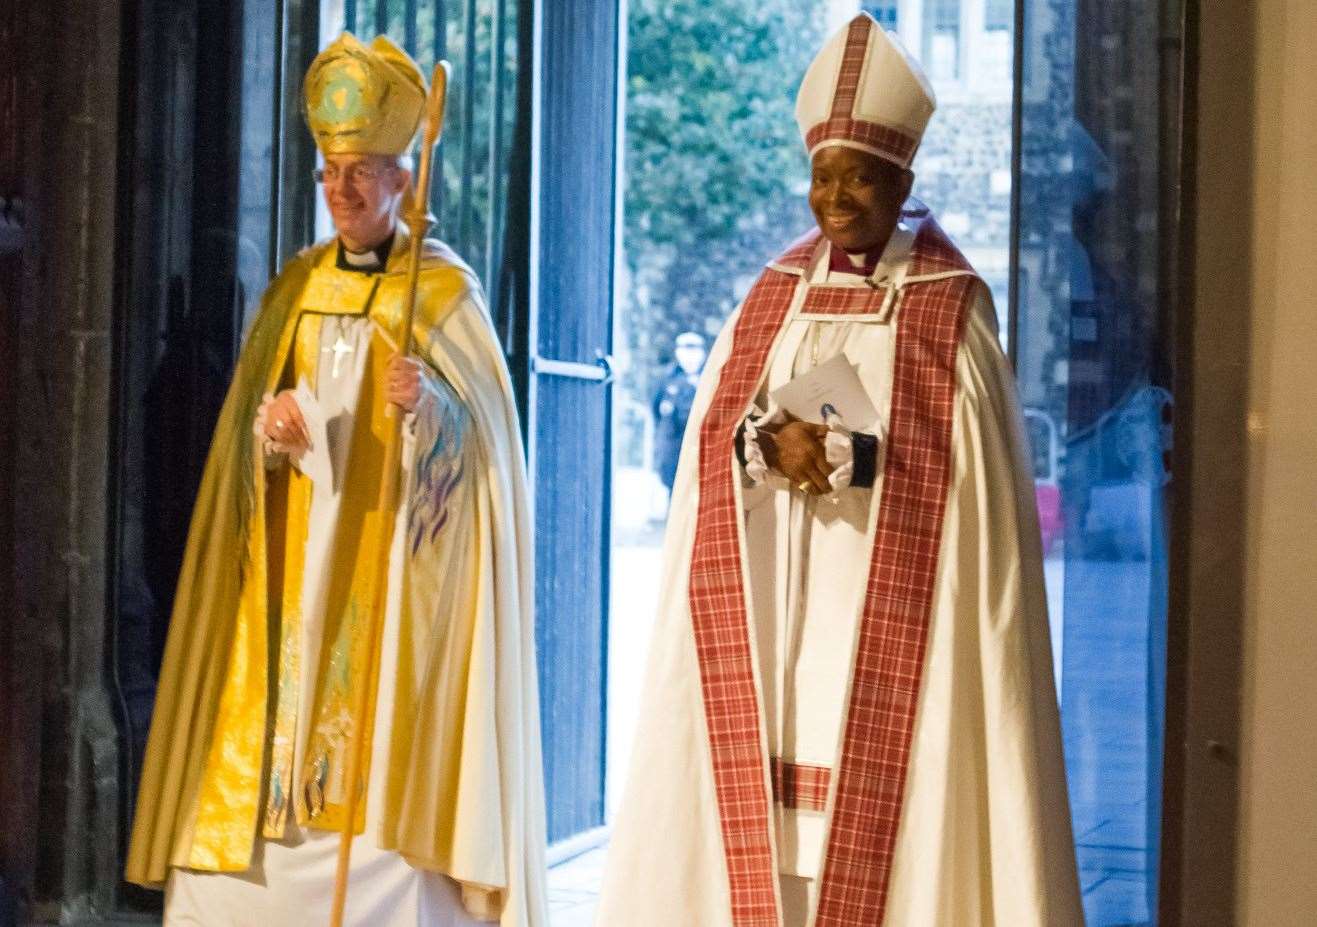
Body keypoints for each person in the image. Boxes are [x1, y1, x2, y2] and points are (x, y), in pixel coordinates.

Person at [598, 13, 1082, 926]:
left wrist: (852, 457)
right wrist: (762, 444)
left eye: (859, 175)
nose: (836, 196)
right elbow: (716, 435)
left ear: (903, 182)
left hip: (894, 612)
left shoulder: (948, 306)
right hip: (780, 611)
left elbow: (967, 476)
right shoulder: (772, 293)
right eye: (824, 175)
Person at [125, 33, 547, 927]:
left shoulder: (444, 300)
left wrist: (431, 411)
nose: (341, 191)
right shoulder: (294, 289)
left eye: (360, 170)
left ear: (402, 178)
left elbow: (484, 468)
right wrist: (265, 431)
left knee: (375, 742)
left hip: (389, 576)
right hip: (288, 575)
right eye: (327, 171)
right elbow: (240, 450)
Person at [651, 331, 707, 493]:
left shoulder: (709, 377)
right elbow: (656, 410)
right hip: (673, 443)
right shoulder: (667, 379)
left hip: (700, 442)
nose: (690, 356)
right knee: (674, 489)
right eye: (685, 351)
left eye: (694, 351)